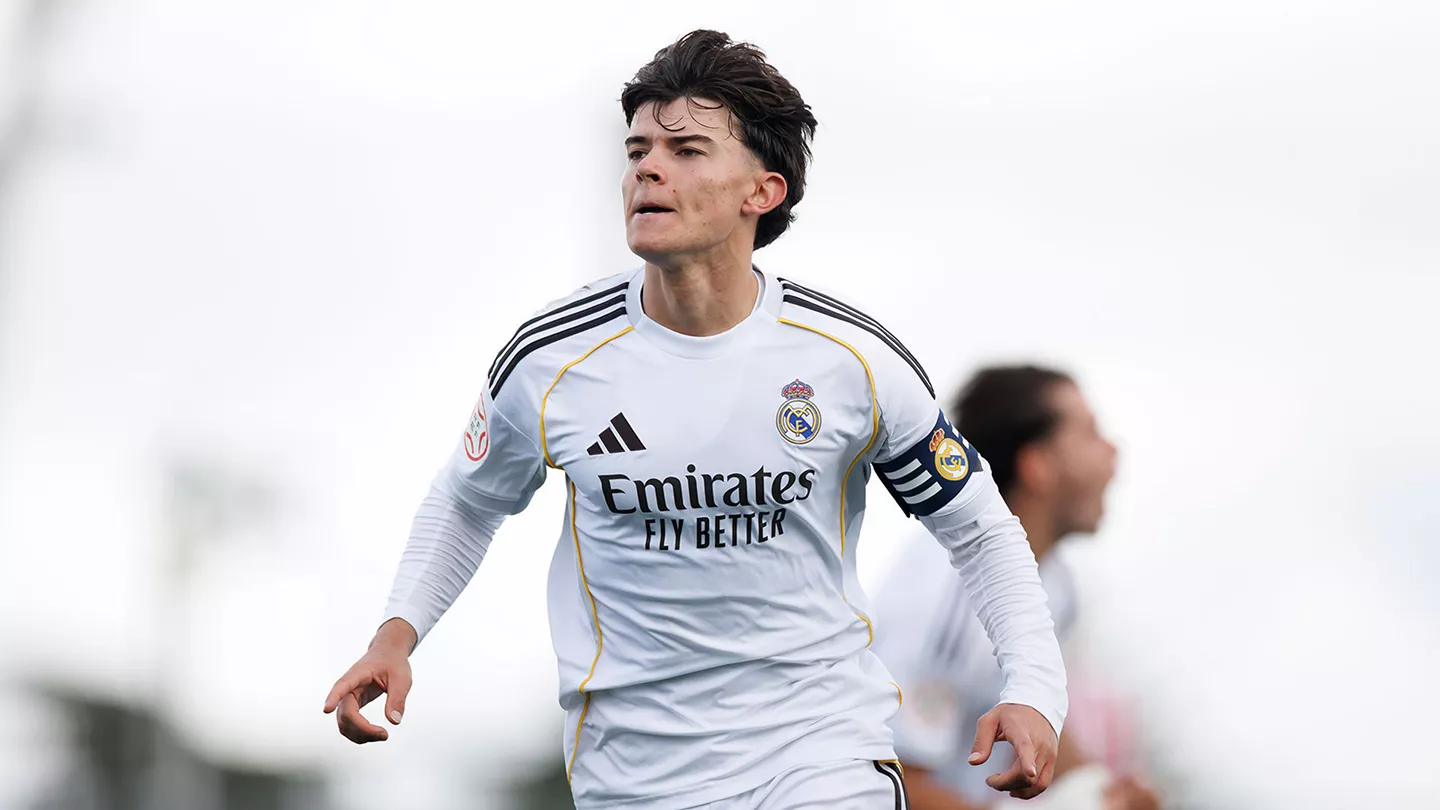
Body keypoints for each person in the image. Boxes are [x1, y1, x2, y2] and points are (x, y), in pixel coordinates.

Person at [323, 31, 1067, 810]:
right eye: (638, 149)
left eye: (686, 150)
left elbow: (979, 526)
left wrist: (1035, 688)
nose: (647, 168)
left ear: (762, 192)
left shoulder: (852, 361)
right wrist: (395, 636)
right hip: (632, 777)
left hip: (821, 754)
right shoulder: (552, 360)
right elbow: (468, 501)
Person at [871, 366, 1159, 809]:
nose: (1113, 450)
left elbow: (1040, 718)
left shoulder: (1059, 585)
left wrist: (1102, 790)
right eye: (1089, 433)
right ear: (1037, 465)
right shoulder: (945, 592)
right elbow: (892, 782)